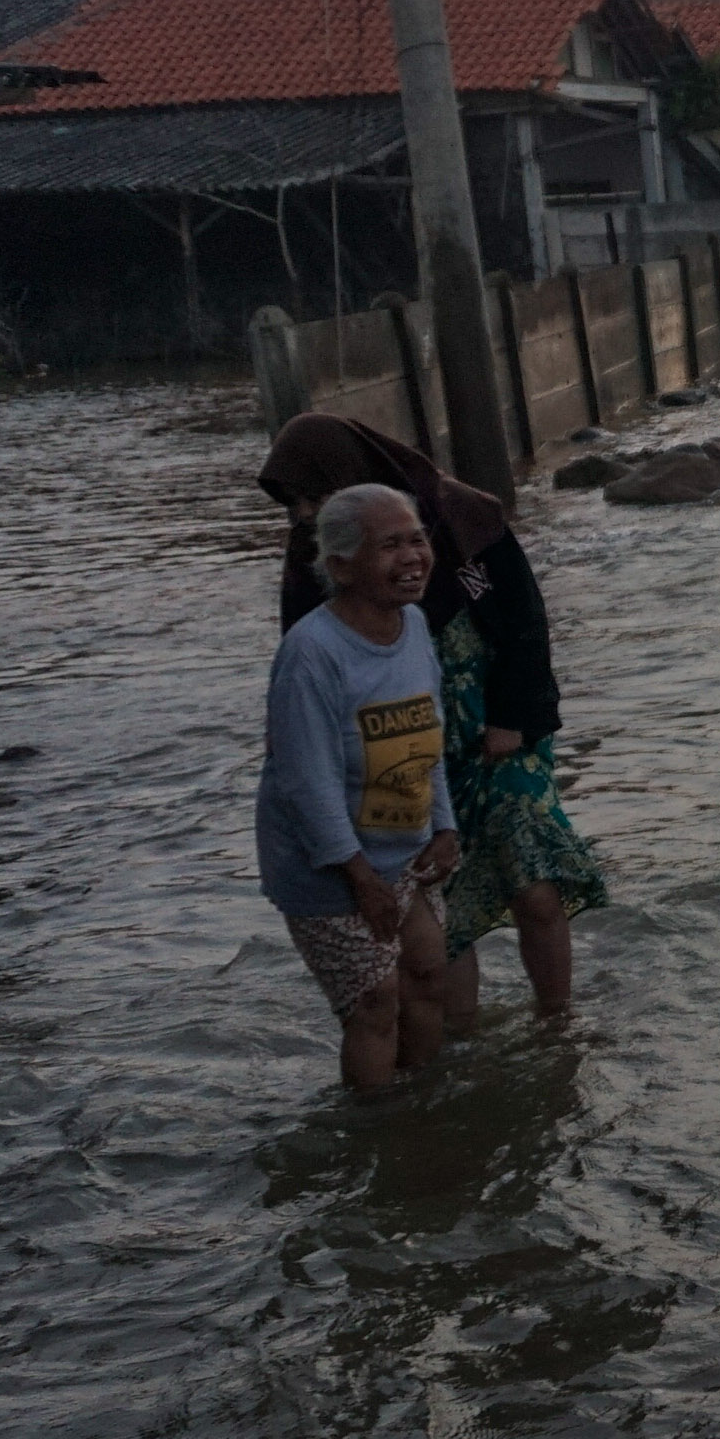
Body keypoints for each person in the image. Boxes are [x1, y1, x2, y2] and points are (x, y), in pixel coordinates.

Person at [260, 413, 607, 1022]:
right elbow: (309, 691)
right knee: (443, 908)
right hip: (408, 750)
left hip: (501, 732)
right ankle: (463, 1048)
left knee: (536, 881)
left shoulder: (458, 515)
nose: (304, 514)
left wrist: (512, 717)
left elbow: (526, 620)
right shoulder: (320, 559)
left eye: (313, 496)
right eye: (298, 504)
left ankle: (559, 1023)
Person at [259, 482, 464, 1092]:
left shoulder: (416, 626)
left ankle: (422, 1106)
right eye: (390, 546)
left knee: (429, 976)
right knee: (375, 1004)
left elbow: (430, 736)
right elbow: (307, 782)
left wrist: (447, 825)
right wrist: (358, 876)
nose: (412, 558)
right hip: (328, 867)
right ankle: (378, 1135)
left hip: (404, 847)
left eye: (418, 540)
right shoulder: (312, 653)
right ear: (341, 566)